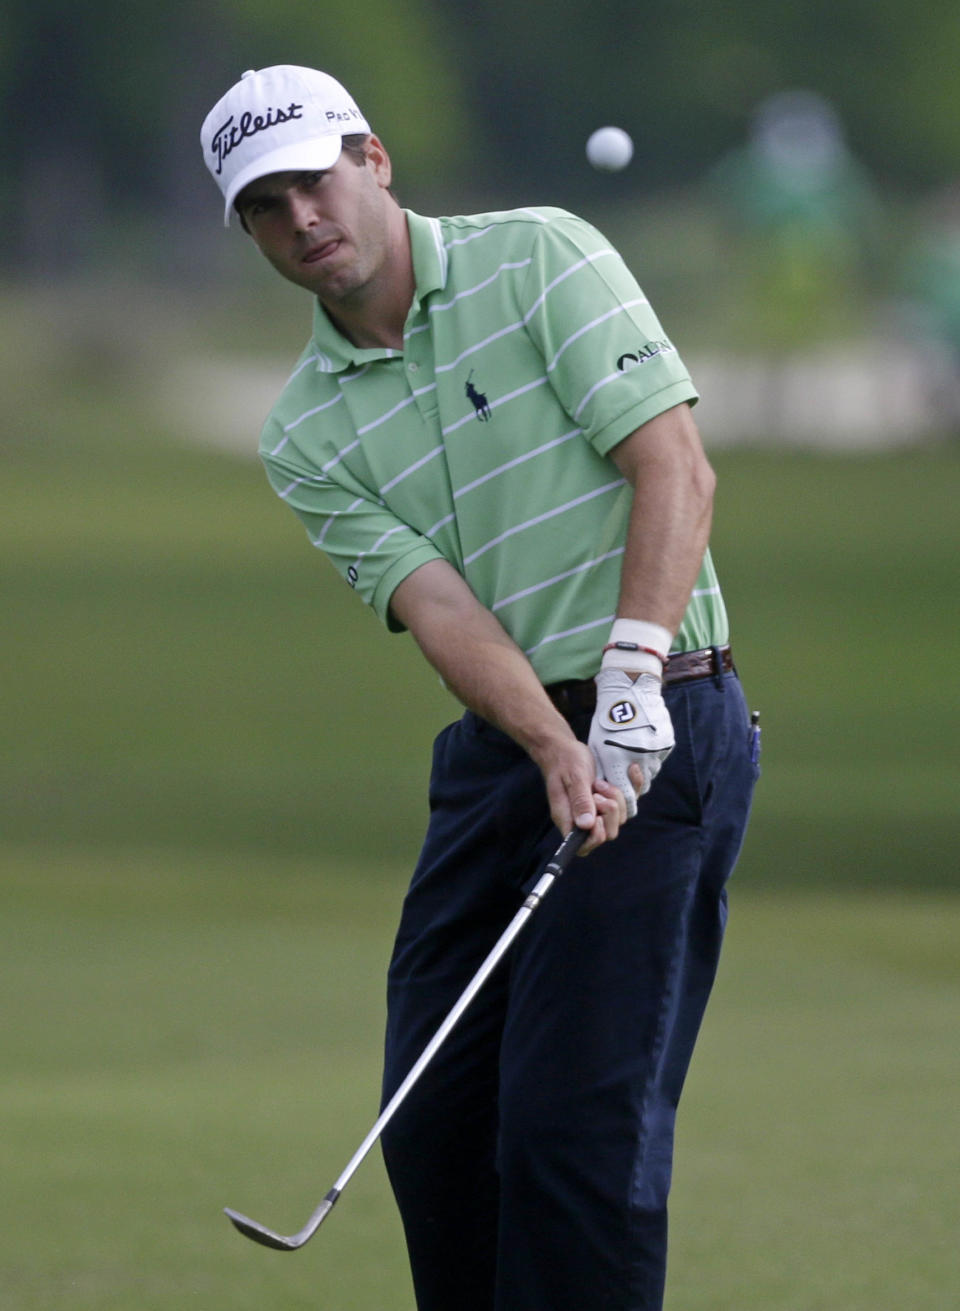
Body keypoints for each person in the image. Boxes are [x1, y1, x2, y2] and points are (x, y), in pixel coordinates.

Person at [201, 65, 758, 1311]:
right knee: (435, 1121)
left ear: (376, 159)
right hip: (509, 748)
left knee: (569, 1136)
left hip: (666, 714)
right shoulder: (304, 431)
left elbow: (674, 468)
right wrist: (553, 744)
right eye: (266, 205)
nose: (302, 218)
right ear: (244, 230)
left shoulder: (542, 256)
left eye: (315, 180)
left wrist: (624, 681)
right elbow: (440, 604)